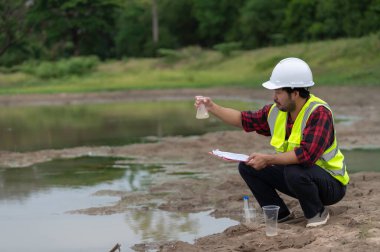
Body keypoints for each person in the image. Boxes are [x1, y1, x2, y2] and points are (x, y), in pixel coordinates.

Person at [194, 57, 349, 227]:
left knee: (294, 170)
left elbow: (306, 155)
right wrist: (212, 107)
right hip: (299, 178)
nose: (274, 97)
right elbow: (243, 120)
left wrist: (268, 159)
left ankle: (317, 213)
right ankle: (280, 215)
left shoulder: (318, 112)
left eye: (279, 92)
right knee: (248, 166)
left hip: (331, 185)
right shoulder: (276, 111)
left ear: (295, 93)